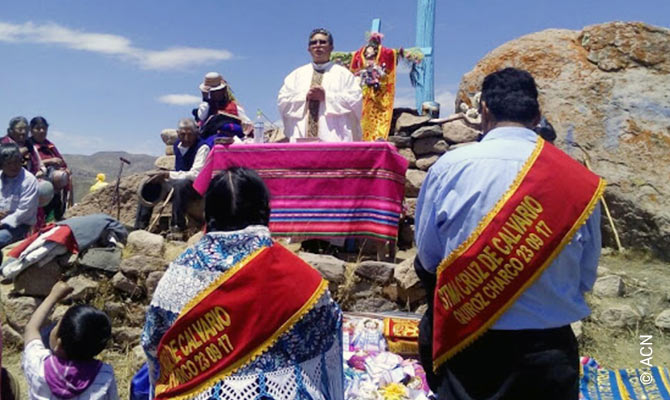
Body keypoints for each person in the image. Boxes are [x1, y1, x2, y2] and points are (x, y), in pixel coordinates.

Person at [414, 68, 605, 400]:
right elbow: (585, 277)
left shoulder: (451, 167)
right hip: (548, 354)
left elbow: (429, 260)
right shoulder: (579, 181)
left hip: (468, 345)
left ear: (484, 110)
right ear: (538, 114)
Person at [142, 167, 343, 400]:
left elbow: (153, 344)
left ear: (209, 212)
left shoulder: (180, 272)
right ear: (265, 210)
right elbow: (328, 340)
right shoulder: (299, 275)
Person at [22, 281, 118, 399]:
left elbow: (31, 328)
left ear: (59, 344)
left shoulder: (38, 363)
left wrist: (53, 296)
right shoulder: (104, 374)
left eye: (57, 326)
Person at [278, 28, 362, 142]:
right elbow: (283, 101)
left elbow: (355, 101)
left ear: (331, 47)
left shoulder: (344, 74)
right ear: (309, 48)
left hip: (334, 139)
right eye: (314, 43)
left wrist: (326, 97)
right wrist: (305, 96)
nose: (318, 45)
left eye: (322, 42)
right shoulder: (296, 75)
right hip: (301, 138)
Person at [135, 118, 209, 239]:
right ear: (178, 133)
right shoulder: (177, 146)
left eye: (190, 134)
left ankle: (177, 227)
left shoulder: (202, 147)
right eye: (182, 134)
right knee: (150, 183)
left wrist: (168, 175)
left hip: (195, 187)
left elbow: (195, 174)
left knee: (181, 184)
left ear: (196, 133)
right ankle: (140, 226)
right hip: (178, 182)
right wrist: (161, 176)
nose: (186, 138)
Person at [0, 143, 39, 259]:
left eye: (17, 161)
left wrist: (2, 222)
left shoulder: (29, 181)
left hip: (18, 226)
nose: (14, 166)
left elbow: (24, 211)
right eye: (9, 163)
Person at [29, 116, 71, 221]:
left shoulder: (50, 145)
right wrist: (49, 161)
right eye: (38, 128)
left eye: (44, 128)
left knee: (57, 211)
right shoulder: (28, 146)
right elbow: (26, 165)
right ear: (31, 130)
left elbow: (62, 162)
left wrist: (65, 169)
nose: (42, 131)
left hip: (55, 189)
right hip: (37, 188)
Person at [193, 72, 252, 138]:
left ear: (223, 91)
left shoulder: (234, 107)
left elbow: (248, 124)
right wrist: (206, 100)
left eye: (217, 91)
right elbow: (201, 117)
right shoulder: (205, 107)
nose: (214, 94)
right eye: (211, 92)